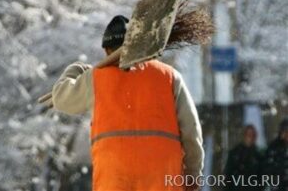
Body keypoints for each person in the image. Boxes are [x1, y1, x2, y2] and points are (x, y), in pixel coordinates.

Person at [51, 15, 204, 191]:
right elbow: (191, 131)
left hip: (114, 175)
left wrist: (77, 69)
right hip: (162, 175)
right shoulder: (169, 76)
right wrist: (193, 174)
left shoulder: (95, 78)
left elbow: (60, 98)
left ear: (107, 51)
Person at [223, 125, 263, 191]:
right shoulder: (235, 153)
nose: (250, 137)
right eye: (249, 134)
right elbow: (228, 175)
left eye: (253, 135)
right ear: (244, 135)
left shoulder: (258, 155)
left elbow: (262, 177)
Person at [264, 118, 288, 191]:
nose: (287, 134)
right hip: (278, 185)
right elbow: (267, 167)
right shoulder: (274, 147)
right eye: (285, 131)